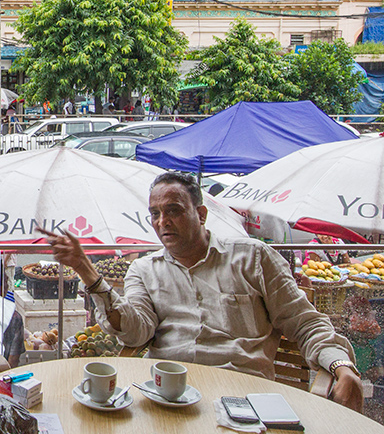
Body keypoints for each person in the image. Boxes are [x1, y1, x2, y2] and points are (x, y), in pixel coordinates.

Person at [44, 171, 363, 412]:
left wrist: (341, 366)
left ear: (201, 214)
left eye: (173, 210)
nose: (162, 221)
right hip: (169, 398)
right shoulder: (145, 270)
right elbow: (134, 333)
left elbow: (305, 322)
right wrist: (86, 270)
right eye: (155, 213)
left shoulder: (252, 258)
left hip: (244, 399)